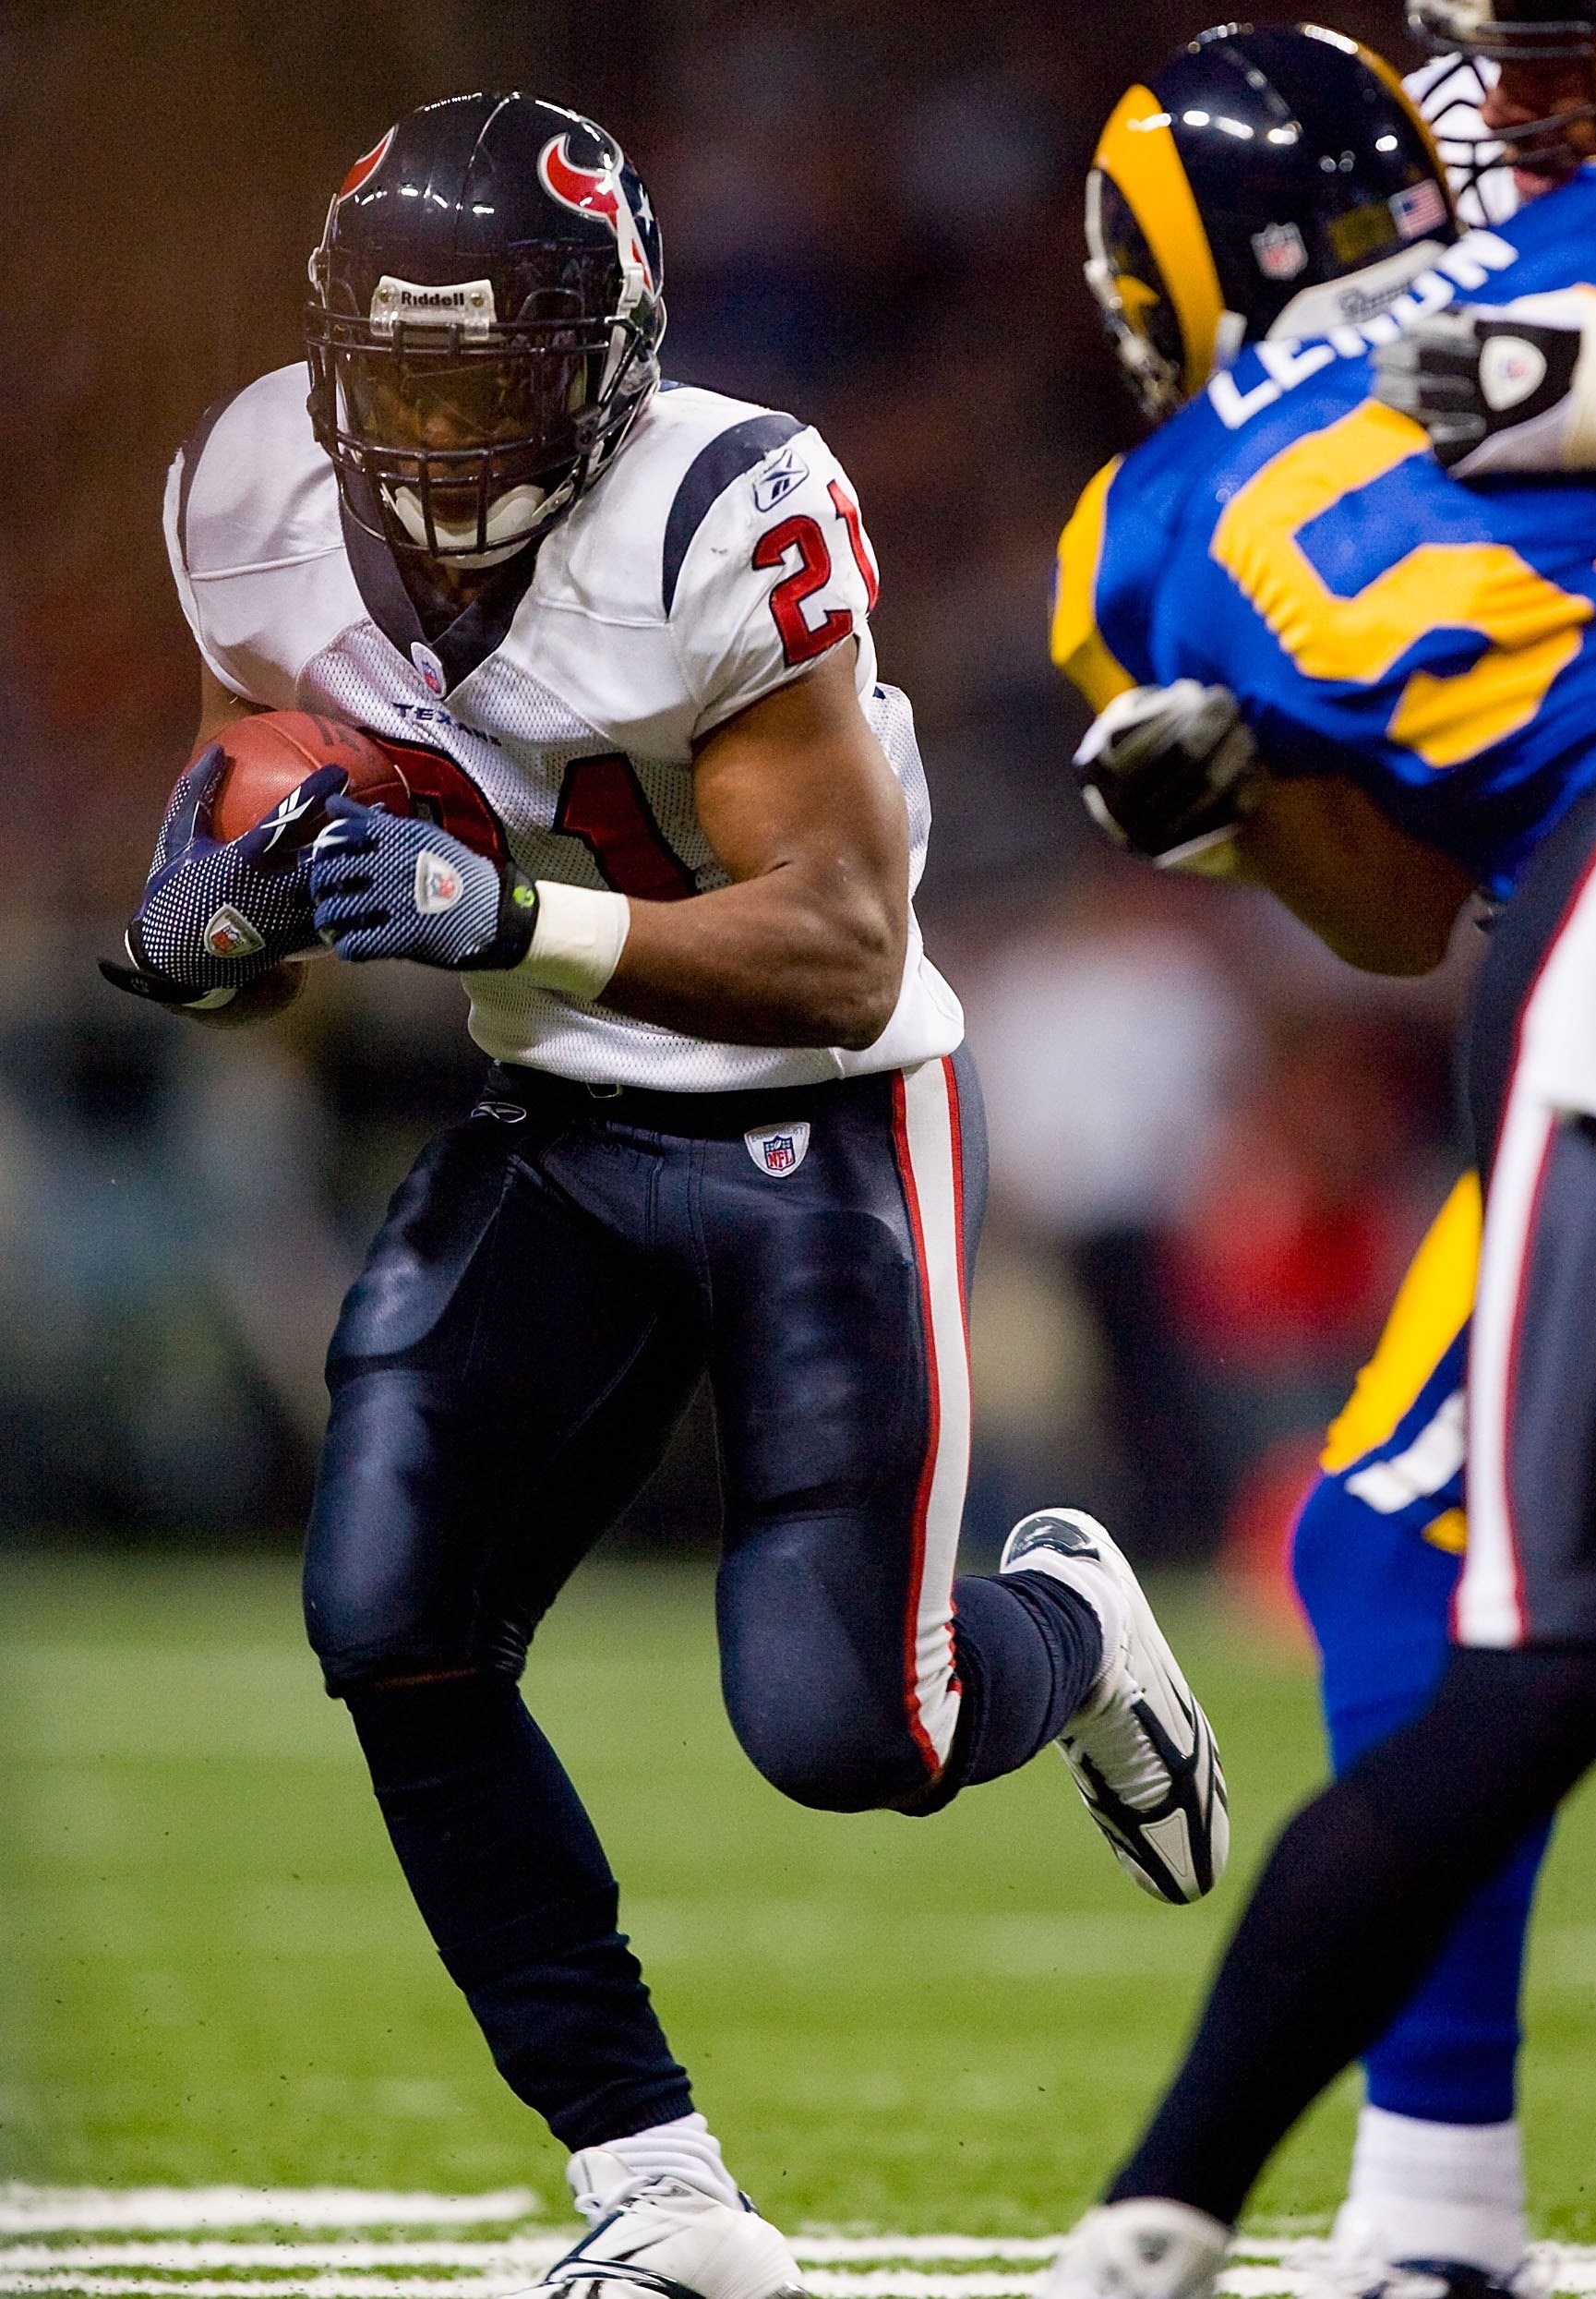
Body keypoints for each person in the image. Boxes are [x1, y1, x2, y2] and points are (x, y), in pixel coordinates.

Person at [107, 90, 1230, 2299]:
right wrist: (218, 923)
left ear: (610, 353)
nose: (434, 430)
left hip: (815, 1101)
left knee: (849, 1735)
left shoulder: (725, 503)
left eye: (487, 373)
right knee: (390, 1620)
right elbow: (270, 850)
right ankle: (658, 2188)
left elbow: (841, 944)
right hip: (563, 1118)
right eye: (400, 375)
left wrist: (504, 915)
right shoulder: (246, 494)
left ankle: (1074, 1626)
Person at [1049, 23, 1596, 2298]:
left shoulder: (1147, 525)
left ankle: (1400, 2210)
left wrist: (1230, 828)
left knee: (1436, 1569)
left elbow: (1388, 918)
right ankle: (1411, 2206)